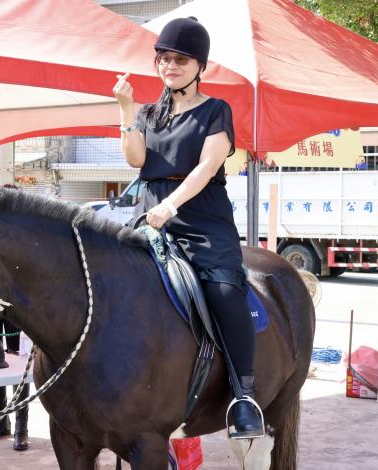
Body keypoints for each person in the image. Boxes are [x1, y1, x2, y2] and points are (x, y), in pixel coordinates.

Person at [112, 17, 264, 438]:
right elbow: (136, 160)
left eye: (180, 59)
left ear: (201, 65)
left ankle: (244, 396)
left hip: (200, 219)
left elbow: (205, 168)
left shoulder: (216, 111)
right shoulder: (148, 113)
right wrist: (125, 110)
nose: (170, 65)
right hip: (149, 212)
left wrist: (169, 205)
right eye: (163, 58)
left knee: (224, 289)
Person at [0, 183, 30, 451]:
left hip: (18, 310)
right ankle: (2, 421)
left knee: (19, 366)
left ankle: (21, 428)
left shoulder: (23, 235)